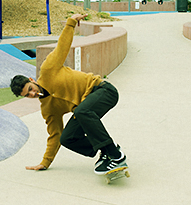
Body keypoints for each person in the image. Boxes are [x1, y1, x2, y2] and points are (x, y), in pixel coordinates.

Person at [9, 13, 126, 174]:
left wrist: (71, 23)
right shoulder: (47, 108)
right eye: (28, 95)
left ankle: (115, 155)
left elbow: (62, 47)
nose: (33, 94)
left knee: (81, 111)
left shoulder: (48, 69)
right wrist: (45, 162)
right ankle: (105, 152)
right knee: (67, 137)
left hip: (103, 90)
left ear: (32, 80)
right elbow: (55, 134)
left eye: (30, 88)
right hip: (85, 110)